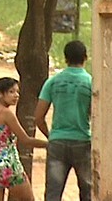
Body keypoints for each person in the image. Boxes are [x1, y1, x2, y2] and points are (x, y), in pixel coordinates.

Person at [34, 40, 92, 201]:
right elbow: (96, 115)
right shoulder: (90, 83)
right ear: (85, 57)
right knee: (87, 191)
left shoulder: (53, 82)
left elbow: (38, 117)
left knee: (53, 192)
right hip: (83, 142)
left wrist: (51, 135)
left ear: (65, 58)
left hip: (57, 142)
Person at [0, 77, 47, 201]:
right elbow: (25, 140)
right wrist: (49, 144)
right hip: (9, 166)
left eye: (17, 92)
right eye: (11, 92)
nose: (16, 95)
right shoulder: (6, 113)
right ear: (0, 94)